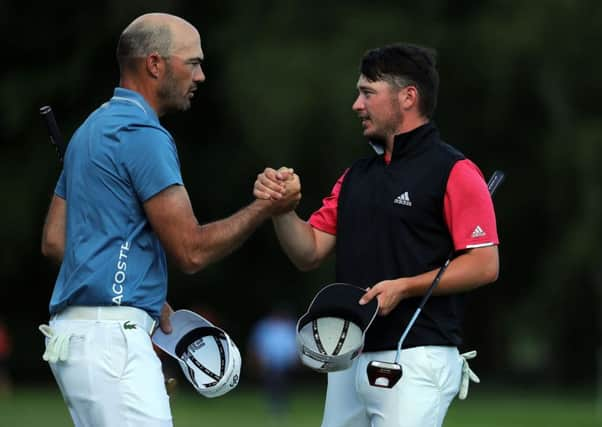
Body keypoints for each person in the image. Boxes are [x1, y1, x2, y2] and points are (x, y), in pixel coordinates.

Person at [40, 13, 299, 427]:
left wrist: (124, 282)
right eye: (192, 62)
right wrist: (265, 208)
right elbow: (191, 251)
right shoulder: (144, 134)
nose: (201, 75)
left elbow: (55, 241)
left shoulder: (91, 129)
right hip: (112, 343)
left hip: (75, 341)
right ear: (155, 64)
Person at [254, 43, 499, 427]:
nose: (356, 104)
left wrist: (404, 286)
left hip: (418, 355)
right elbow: (309, 251)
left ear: (408, 97)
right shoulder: (356, 177)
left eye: (368, 92)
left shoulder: (455, 171)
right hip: (349, 354)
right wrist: (281, 210)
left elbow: (485, 264)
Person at [248, 305, 299, 418]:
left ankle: (282, 407)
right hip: (269, 362)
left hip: (284, 363)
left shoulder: (289, 326)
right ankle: (273, 406)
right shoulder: (265, 326)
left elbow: (294, 344)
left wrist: (294, 358)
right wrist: (259, 359)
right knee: (271, 385)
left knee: (284, 385)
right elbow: (257, 343)